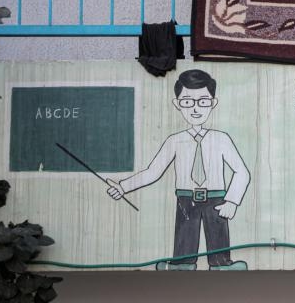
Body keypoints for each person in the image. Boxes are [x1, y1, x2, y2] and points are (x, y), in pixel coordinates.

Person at [107, 69, 250, 271]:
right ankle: (182, 264)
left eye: (202, 101)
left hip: (217, 198)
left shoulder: (221, 139)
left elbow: (242, 171)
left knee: (218, 235)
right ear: (177, 104)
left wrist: (233, 201)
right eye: (187, 102)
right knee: (185, 236)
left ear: (213, 102)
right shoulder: (174, 141)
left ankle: (222, 264)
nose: (195, 108)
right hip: (186, 198)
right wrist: (123, 187)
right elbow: (153, 171)